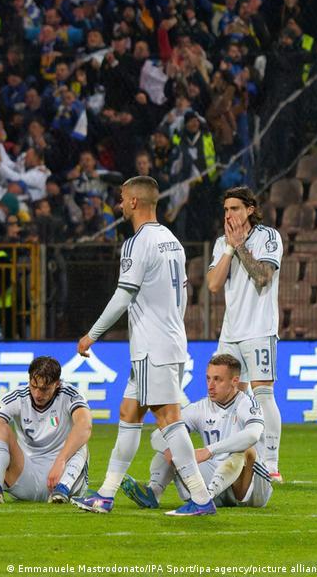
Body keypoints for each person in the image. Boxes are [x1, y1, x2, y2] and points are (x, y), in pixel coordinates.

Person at [72, 176, 217, 516]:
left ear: (134, 202)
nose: (120, 204)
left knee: (168, 419)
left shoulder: (136, 243)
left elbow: (123, 296)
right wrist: (171, 326)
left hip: (153, 346)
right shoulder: (172, 240)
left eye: (122, 198)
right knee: (129, 412)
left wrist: (92, 334)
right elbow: (183, 294)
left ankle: (200, 497)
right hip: (166, 340)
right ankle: (105, 495)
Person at [121, 354, 273, 509]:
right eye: (208, 379)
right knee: (171, 442)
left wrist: (209, 451)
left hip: (250, 487)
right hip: (216, 477)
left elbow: (252, 435)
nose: (210, 386)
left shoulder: (248, 404)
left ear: (235, 381)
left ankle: (205, 500)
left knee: (246, 451)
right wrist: (172, 451)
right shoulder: (199, 408)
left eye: (217, 379)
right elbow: (157, 436)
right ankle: (153, 493)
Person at [206, 186, 283, 483]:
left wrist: (240, 246)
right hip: (231, 331)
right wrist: (229, 247)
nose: (229, 215)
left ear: (250, 209)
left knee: (263, 394)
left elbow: (263, 277)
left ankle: (271, 463)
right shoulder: (221, 243)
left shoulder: (268, 237)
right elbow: (213, 285)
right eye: (226, 210)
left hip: (260, 329)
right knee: (228, 395)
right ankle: (233, 457)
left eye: (235, 208)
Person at [0, 356, 92, 504]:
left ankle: (62, 490)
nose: (37, 394)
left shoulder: (70, 395)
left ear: (57, 384)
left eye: (44, 389)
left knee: (80, 436)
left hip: (64, 474)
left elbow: (85, 425)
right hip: (26, 476)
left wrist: (60, 461)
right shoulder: (17, 397)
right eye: (34, 386)